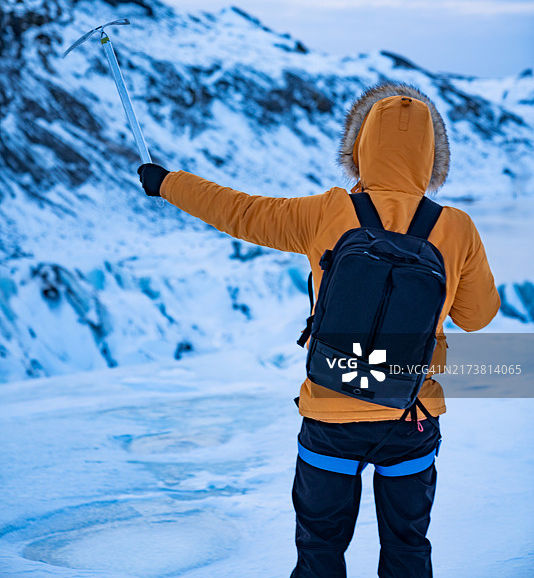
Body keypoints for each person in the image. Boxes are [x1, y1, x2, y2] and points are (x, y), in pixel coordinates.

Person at [138, 82, 500, 578]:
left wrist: (168, 182)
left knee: (320, 551)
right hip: (412, 415)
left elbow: (239, 211)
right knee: (408, 547)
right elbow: (478, 317)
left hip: (330, 411)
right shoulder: (456, 227)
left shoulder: (327, 212)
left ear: (359, 148)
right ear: (433, 157)